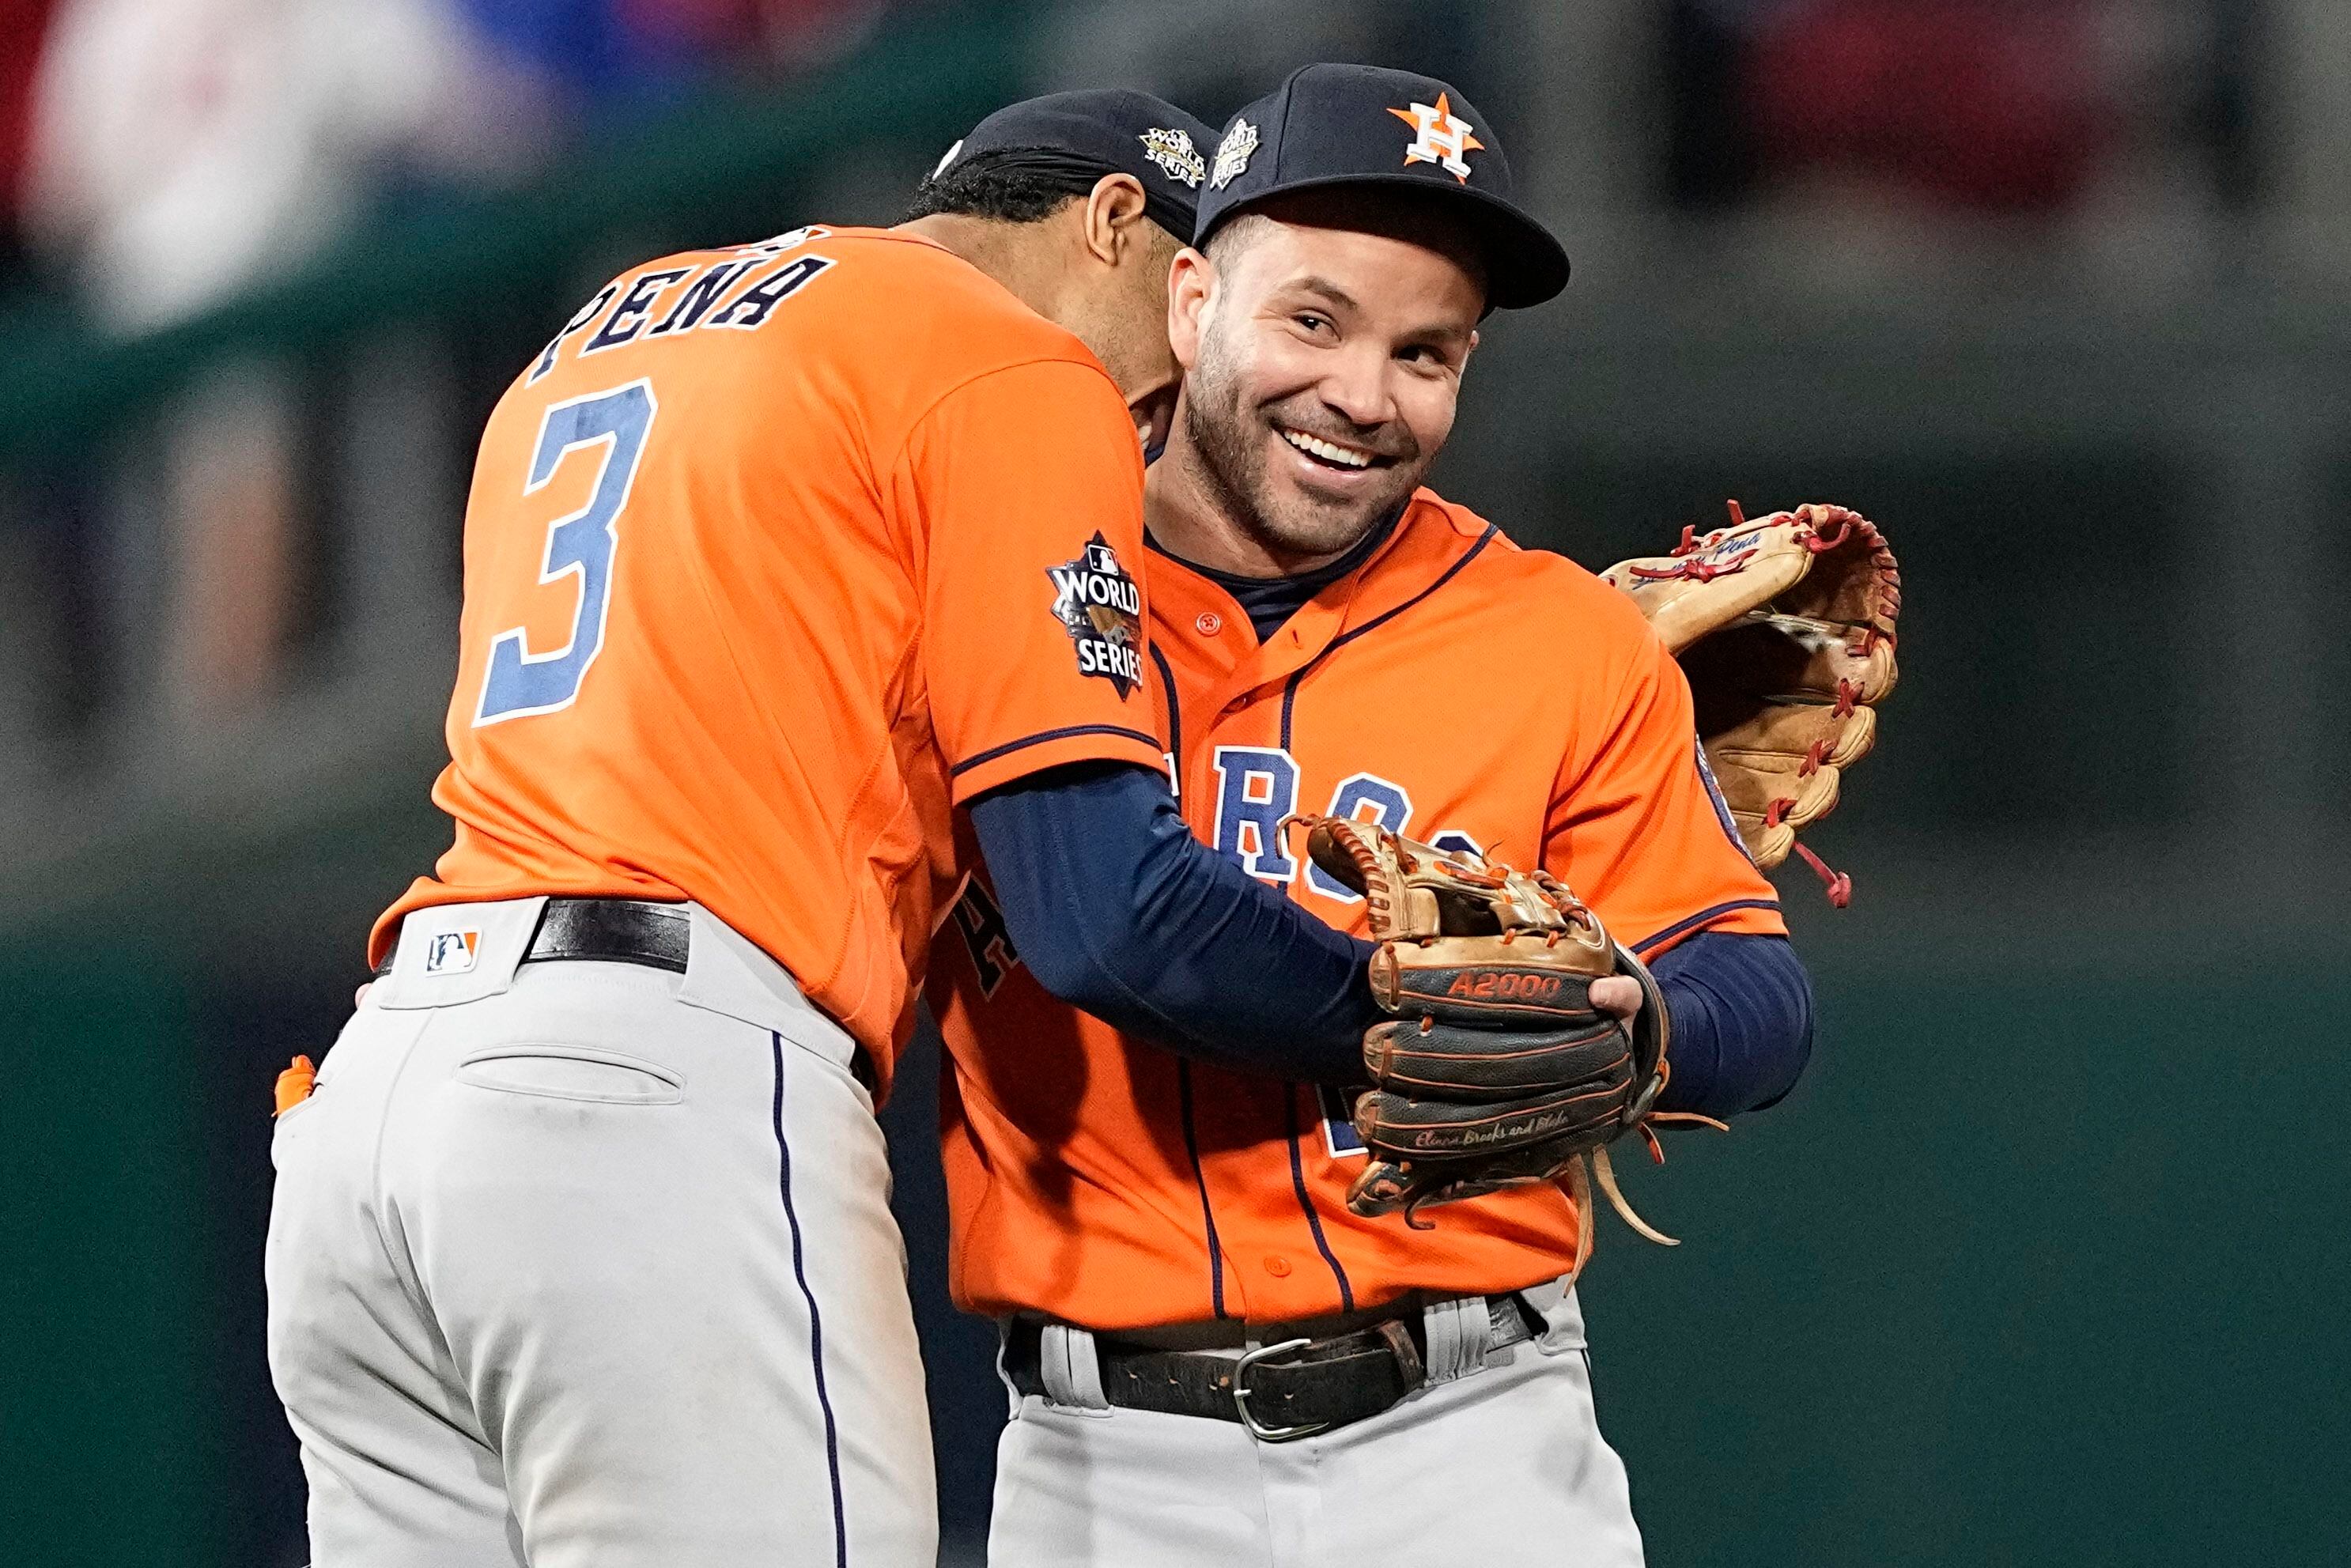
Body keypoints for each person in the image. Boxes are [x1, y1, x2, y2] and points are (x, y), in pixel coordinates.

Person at [263, 89, 1459, 1568]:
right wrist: (1407, 1015)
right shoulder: (1007, 359)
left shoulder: (615, 321)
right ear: (1108, 224)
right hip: (646, 1097)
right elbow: (1102, 910)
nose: (1173, 398)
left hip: (381, 1101)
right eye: (1186, 302)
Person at [927, 66, 1816, 1566]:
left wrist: (1640, 1026)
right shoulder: (1007, 593)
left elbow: (1761, 991)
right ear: (1193, 298)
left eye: (1427, 353)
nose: (1363, 395)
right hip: (1098, 1461)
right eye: (1315, 319)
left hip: (1469, 1440)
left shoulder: (1551, 634)